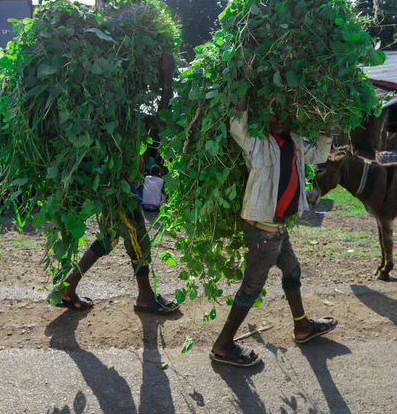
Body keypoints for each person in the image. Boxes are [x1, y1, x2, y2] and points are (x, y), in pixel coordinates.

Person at [210, 77, 336, 367]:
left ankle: (302, 326)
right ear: (264, 117)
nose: (279, 119)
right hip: (263, 231)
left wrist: (328, 124)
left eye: (285, 113)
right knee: (252, 287)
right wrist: (242, 82)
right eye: (273, 114)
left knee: (292, 271)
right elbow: (236, 125)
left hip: (279, 230)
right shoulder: (257, 142)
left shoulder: (293, 140)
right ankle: (223, 345)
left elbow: (317, 154)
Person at [57, 51, 179, 315]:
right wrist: (167, 77)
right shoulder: (112, 120)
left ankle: (68, 286)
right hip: (118, 192)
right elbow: (160, 119)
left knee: (110, 238)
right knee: (139, 241)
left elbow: (157, 124)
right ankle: (145, 297)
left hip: (118, 188)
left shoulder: (119, 117)